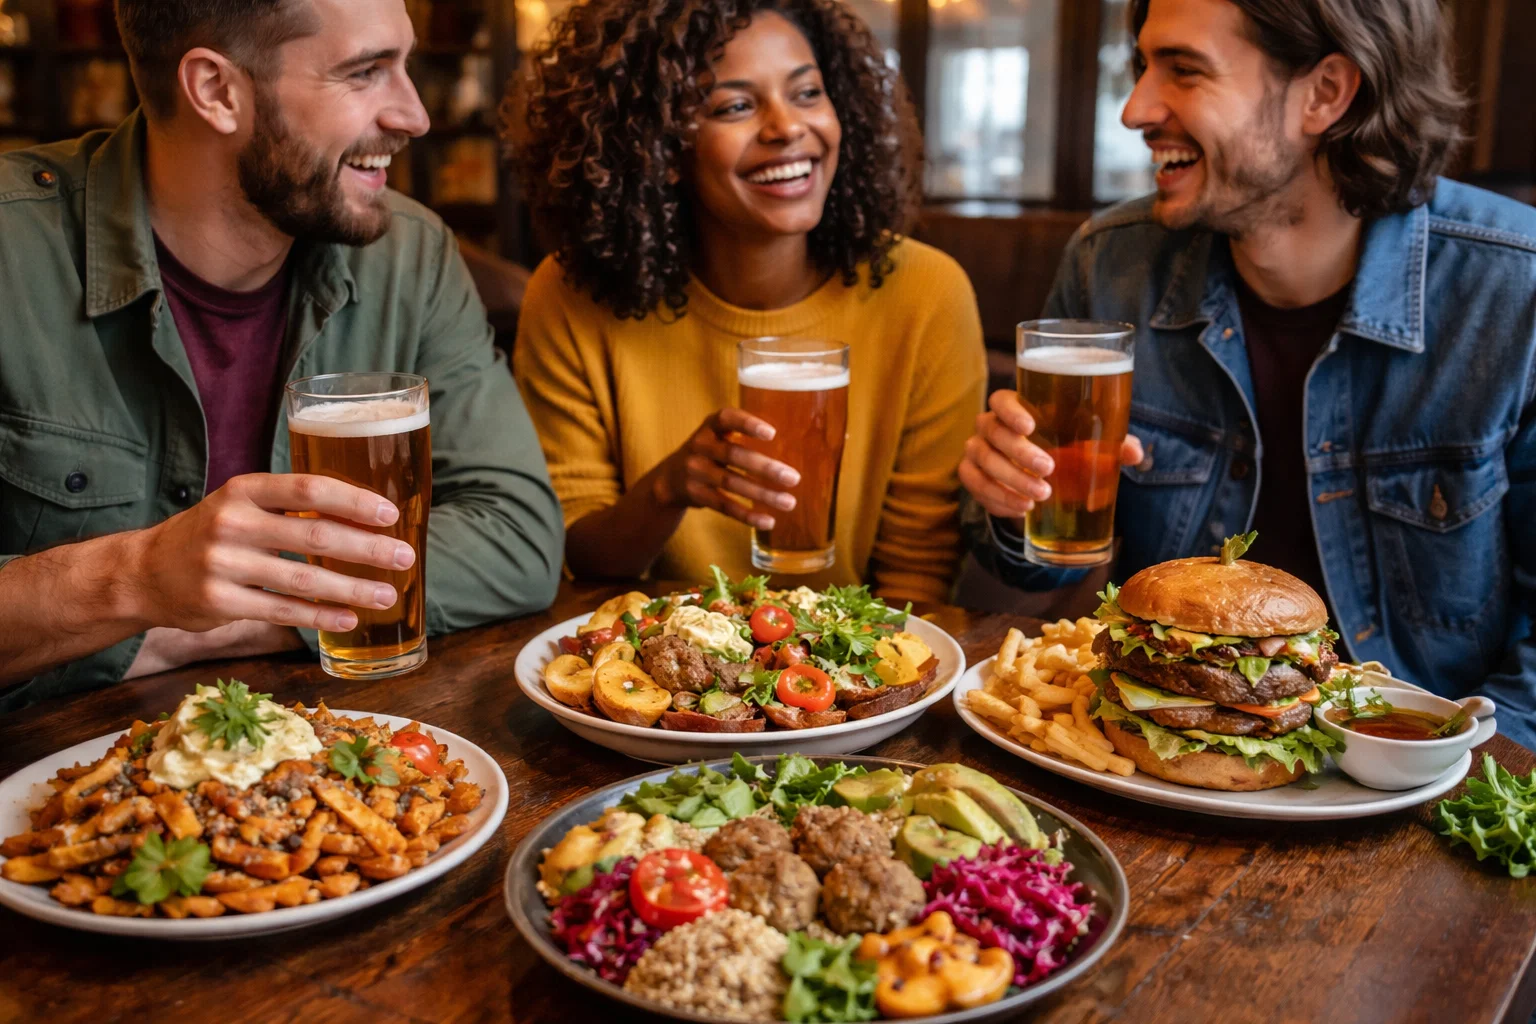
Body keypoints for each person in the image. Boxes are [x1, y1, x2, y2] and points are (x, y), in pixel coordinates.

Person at [961, 0, 1536, 748]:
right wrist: (1013, 505)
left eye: (1184, 70)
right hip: (1157, 756)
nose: (1136, 109)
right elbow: (1037, 576)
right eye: (1142, 68)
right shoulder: (1110, 266)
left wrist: (1458, 772)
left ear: (1326, 93)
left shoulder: (1512, 289)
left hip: (1418, 780)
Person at [0, 0, 564, 709]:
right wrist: (137, 577)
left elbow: (517, 540)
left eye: (406, 66)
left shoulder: (411, 256)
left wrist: (187, 626)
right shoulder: (12, 252)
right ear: (216, 91)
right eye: (365, 72)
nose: (415, 115)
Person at [506, 0, 986, 603]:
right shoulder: (570, 296)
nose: (787, 127)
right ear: (659, 146)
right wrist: (669, 489)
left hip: (861, 676)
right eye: (734, 105)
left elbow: (918, 575)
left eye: (808, 93)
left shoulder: (927, 293)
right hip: (650, 665)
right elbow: (578, 557)